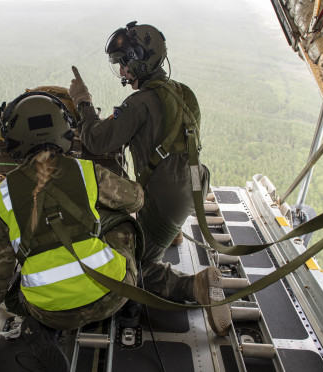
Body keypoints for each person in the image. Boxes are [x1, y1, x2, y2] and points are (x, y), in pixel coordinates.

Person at [69, 21, 230, 335]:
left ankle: (194, 286)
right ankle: (168, 231)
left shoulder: (140, 102)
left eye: (123, 64)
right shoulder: (182, 92)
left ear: (139, 61)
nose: (123, 72)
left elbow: (96, 140)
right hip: (195, 185)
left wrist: (83, 101)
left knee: (127, 268)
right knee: (160, 213)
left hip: (168, 200)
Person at [0, 91, 143, 370]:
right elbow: (135, 199)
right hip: (111, 297)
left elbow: (0, 266)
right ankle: (131, 311)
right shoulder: (86, 172)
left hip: (49, 311)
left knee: (21, 286)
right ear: (64, 130)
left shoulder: (3, 196)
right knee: (123, 225)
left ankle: (38, 330)